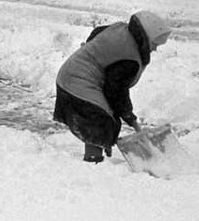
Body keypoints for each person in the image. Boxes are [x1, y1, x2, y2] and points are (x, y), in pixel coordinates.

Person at [53, 10, 172, 162]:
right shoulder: (130, 59)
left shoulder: (120, 29)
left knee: (107, 118)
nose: (154, 49)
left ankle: (95, 157)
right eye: (154, 44)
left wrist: (92, 50)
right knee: (101, 120)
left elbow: (98, 32)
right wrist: (128, 114)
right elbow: (115, 90)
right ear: (146, 38)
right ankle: (93, 161)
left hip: (71, 74)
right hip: (78, 82)